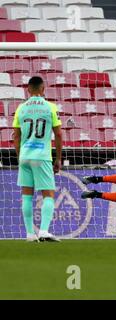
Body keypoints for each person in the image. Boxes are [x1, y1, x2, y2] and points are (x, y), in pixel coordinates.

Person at [13, 76, 63, 242]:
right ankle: (43, 231)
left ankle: (29, 234)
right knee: (48, 194)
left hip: (25, 155)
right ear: (43, 89)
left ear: (28, 89)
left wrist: (20, 156)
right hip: (42, 155)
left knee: (26, 195)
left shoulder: (21, 108)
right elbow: (58, 134)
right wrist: (58, 158)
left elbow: (16, 136)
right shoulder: (50, 107)